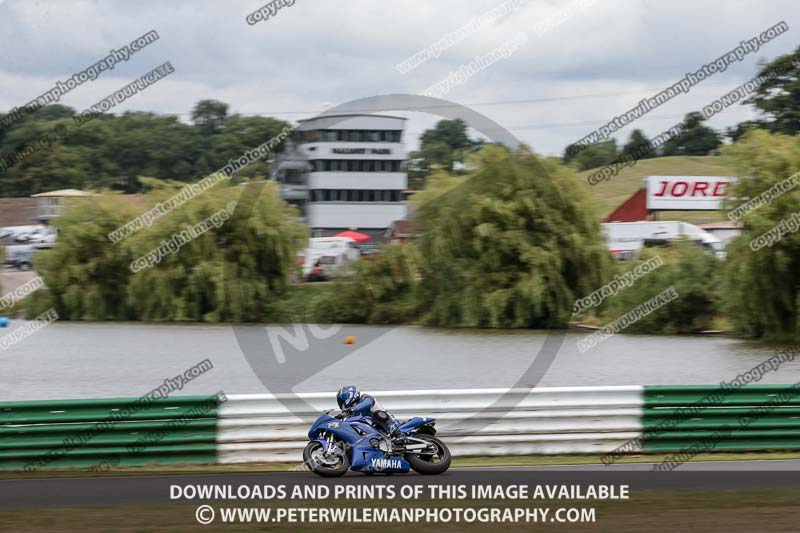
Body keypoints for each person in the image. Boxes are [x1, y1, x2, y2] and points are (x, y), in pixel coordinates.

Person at [336, 385, 403, 447]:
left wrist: (352, 409)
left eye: (341, 401)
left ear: (348, 397)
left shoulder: (365, 398)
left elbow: (367, 403)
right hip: (375, 432)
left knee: (378, 414)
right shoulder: (351, 414)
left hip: (390, 424)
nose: (341, 403)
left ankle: (399, 435)